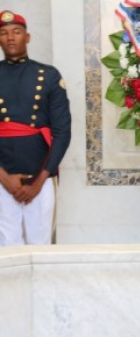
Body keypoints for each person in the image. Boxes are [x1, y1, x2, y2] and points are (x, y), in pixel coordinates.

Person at [0, 10, 71, 245]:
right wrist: (4, 178)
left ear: (27, 37)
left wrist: (39, 181)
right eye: (4, 33)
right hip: (2, 179)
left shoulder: (49, 76)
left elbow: (62, 132)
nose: (10, 37)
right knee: (6, 252)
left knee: (41, 249)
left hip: (40, 179)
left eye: (17, 32)